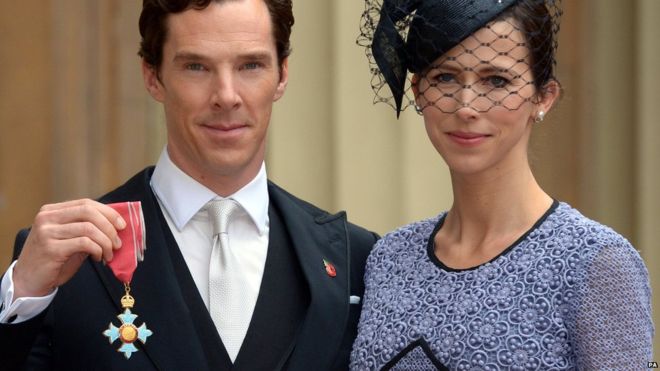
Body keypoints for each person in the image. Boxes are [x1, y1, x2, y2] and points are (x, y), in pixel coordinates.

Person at [0, 0, 378, 369]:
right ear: (153, 75)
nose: (226, 96)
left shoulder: (356, 259)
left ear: (281, 75)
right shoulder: (66, 260)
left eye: (250, 65)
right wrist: (24, 295)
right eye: (196, 66)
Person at [350, 0, 653, 369]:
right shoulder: (389, 258)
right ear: (418, 91)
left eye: (496, 80)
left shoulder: (595, 262)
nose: (466, 105)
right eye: (445, 77)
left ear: (543, 97)